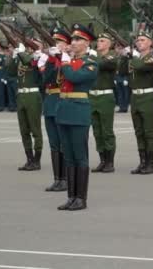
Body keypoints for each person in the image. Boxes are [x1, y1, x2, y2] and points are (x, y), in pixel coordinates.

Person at [57, 24, 98, 211]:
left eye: (78, 39)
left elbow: (74, 78)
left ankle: (81, 198)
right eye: (72, 39)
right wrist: (50, 59)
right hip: (64, 110)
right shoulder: (68, 61)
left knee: (80, 156)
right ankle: (71, 197)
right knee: (69, 156)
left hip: (79, 111)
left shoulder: (90, 63)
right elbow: (50, 79)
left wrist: (64, 61)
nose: (73, 42)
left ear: (87, 43)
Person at [39, 28, 71, 192]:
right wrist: (51, 59)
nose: (57, 45)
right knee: (53, 144)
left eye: (60, 42)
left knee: (63, 143)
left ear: (67, 45)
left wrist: (59, 58)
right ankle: (57, 178)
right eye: (55, 42)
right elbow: (46, 79)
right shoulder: (52, 60)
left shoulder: (70, 59)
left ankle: (66, 178)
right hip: (50, 102)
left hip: (62, 101)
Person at [125, 31, 153, 175]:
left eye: (143, 40)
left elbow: (140, 66)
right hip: (135, 97)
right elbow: (122, 71)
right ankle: (142, 162)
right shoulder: (135, 58)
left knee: (148, 132)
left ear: (150, 43)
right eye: (138, 40)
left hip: (147, 96)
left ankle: (150, 164)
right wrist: (125, 57)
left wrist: (133, 56)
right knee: (139, 131)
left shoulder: (152, 58)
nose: (139, 42)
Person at [9, 41, 43, 171]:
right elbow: (11, 72)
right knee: (24, 130)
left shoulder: (38, 57)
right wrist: (14, 56)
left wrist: (22, 53)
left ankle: (37, 160)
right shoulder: (21, 57)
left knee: (35, 129)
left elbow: (30, 62)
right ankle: (29, 159)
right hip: (21, 96)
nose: (29, 47)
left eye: (32, 45)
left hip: (33, 95)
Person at [89, 33, 118, 173]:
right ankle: (102, 160)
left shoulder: (112, 56)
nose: (98, 43)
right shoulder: (93, 56)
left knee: (106, 131)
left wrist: (91, 56)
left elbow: (101, 64)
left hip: (105, 97)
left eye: (102, 41)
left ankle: (110, 162)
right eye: (98, 40)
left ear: (109, 44)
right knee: (97, 131)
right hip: (92, 97)